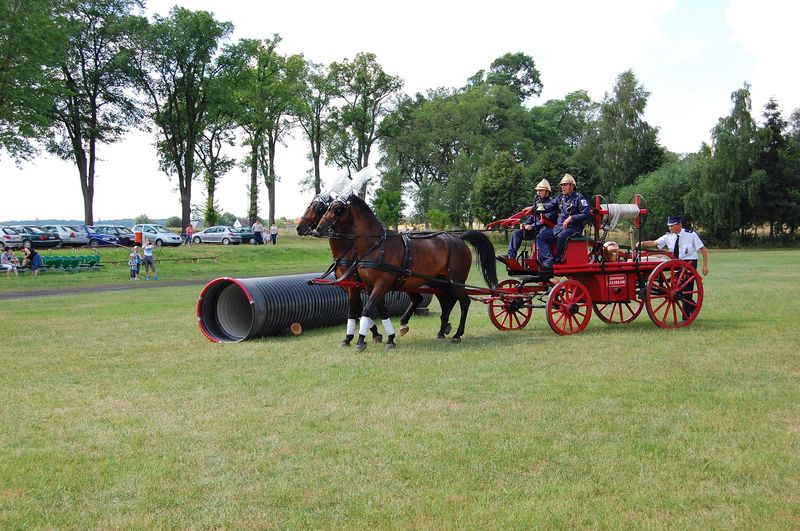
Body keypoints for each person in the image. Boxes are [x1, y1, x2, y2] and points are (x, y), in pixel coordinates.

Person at [640, 215, 709, 319]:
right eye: (669, 226)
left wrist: (705, 265)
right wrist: (641, 243)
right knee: (678, 290)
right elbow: (654, 243)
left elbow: (703, 249)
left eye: (672, 226)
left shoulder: (691, 235)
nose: (670, 228)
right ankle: (693, 308)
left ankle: (685, 317)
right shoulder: (668, 237)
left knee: (687, 290)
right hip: (675, 264)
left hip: (689, 264)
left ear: (679, 225)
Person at [536, 173, 591, 269]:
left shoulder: (579, 198)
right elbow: (549, 206)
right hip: (560, 227)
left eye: (565, 185)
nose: (562, 187)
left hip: (574, 228)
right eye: (562, 185)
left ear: (572, 186)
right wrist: (535, 208)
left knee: (561, 237)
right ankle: (548, 261)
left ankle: (558, 260)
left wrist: (572, 218)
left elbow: (586, 214)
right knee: (541, 237)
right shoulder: (560, 198)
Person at [501, 178, 556, 261]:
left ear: (547, 192)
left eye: (540, 190)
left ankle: (545, 260)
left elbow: (545, 220)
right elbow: (531, 217)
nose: (538, 193)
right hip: (535, 229)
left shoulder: (551, 203)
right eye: (537, 191)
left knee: (540, 236)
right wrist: (525, 225)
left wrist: (532, 226)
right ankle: (510, 257)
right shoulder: (537, 202)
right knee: (516, 233)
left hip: (546, 230)